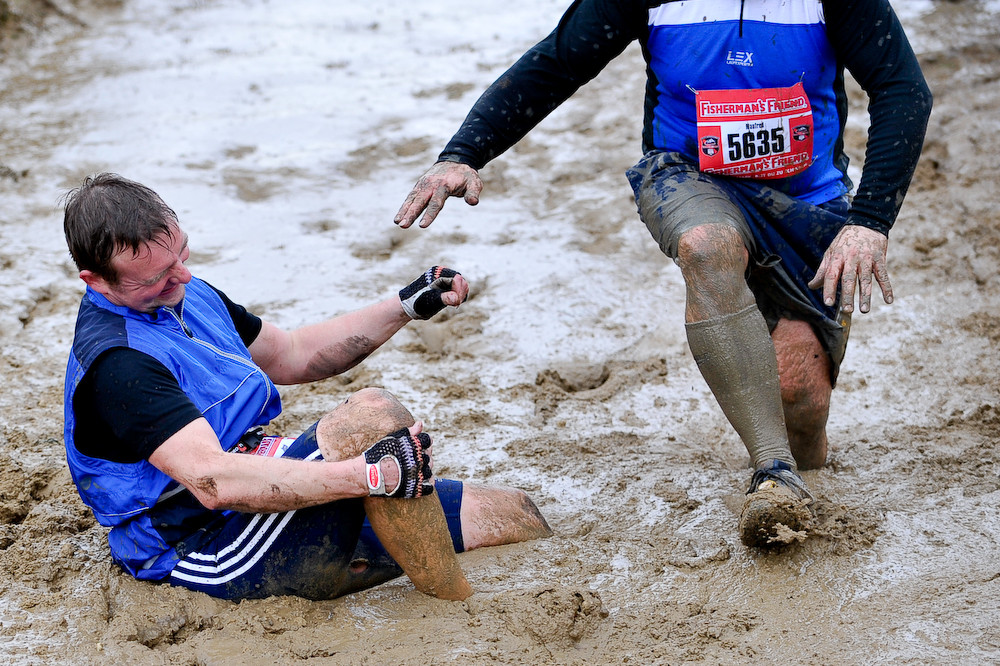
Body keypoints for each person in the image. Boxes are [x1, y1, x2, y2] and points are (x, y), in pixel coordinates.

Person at [394, 0, 931, 548]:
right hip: (686, 176)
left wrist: (870, 222)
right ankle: (773, 473)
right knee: (706, 245)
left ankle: (804, 462)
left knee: (800, 394)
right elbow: (556, 63)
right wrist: (464, 153)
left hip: (808, 199)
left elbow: (903, 89)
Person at [61, 173, 551, 601]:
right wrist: (366, 478)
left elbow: (292, 354)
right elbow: (214, 482)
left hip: (269, 488)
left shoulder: (184, 293)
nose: (183, 276)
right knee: (373, 419)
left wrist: (405, 305)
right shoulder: (118, 364)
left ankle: (372, 554)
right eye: (160, 276)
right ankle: (461, 610)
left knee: (516, 515)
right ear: (97, 282)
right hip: (204, 542)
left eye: (182, 255)